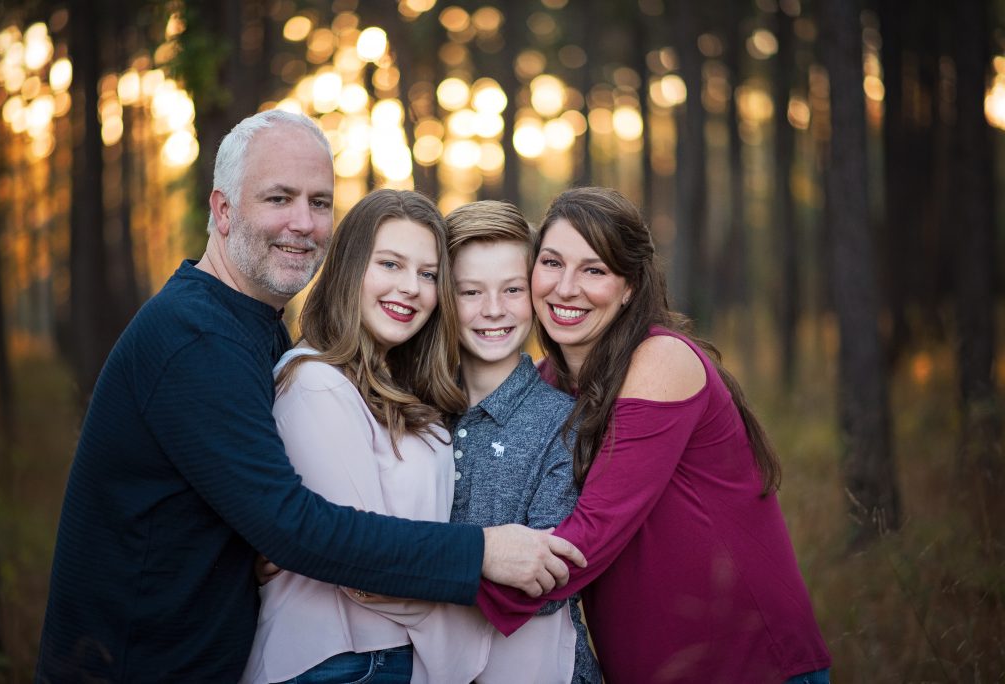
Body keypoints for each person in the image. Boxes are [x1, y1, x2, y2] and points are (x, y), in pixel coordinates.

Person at [35, 110, 584, 683]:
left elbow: (272, 519)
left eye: (320, 203)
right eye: (279, 198)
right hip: (135, 666)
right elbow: (297, 528)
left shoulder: (253, 328)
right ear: (222, 211)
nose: (302, 222)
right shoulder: (194, 338)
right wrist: (480, 554)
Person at [476, 187, 831, 683]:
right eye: (552, 263)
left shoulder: (661, 359)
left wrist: (439, 579)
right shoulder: (546, 384)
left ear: (629, 287)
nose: (565, 288)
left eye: (594, 270)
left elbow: (588, 538)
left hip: (746, 666)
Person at [242, 188, 478, 683]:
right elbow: (361, 570)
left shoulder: (402, 386)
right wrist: (476, 623)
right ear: (351, 269)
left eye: (428, 274)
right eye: (390, 264)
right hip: (336, 663)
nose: (411, 287)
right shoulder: (314, 383)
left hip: (391, 659)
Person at [445, 200, 600, 683]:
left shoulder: (564, 425)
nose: (493, 310)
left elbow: (542, 582)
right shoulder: (411, 411)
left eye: (512, 289)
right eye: (470, 291)